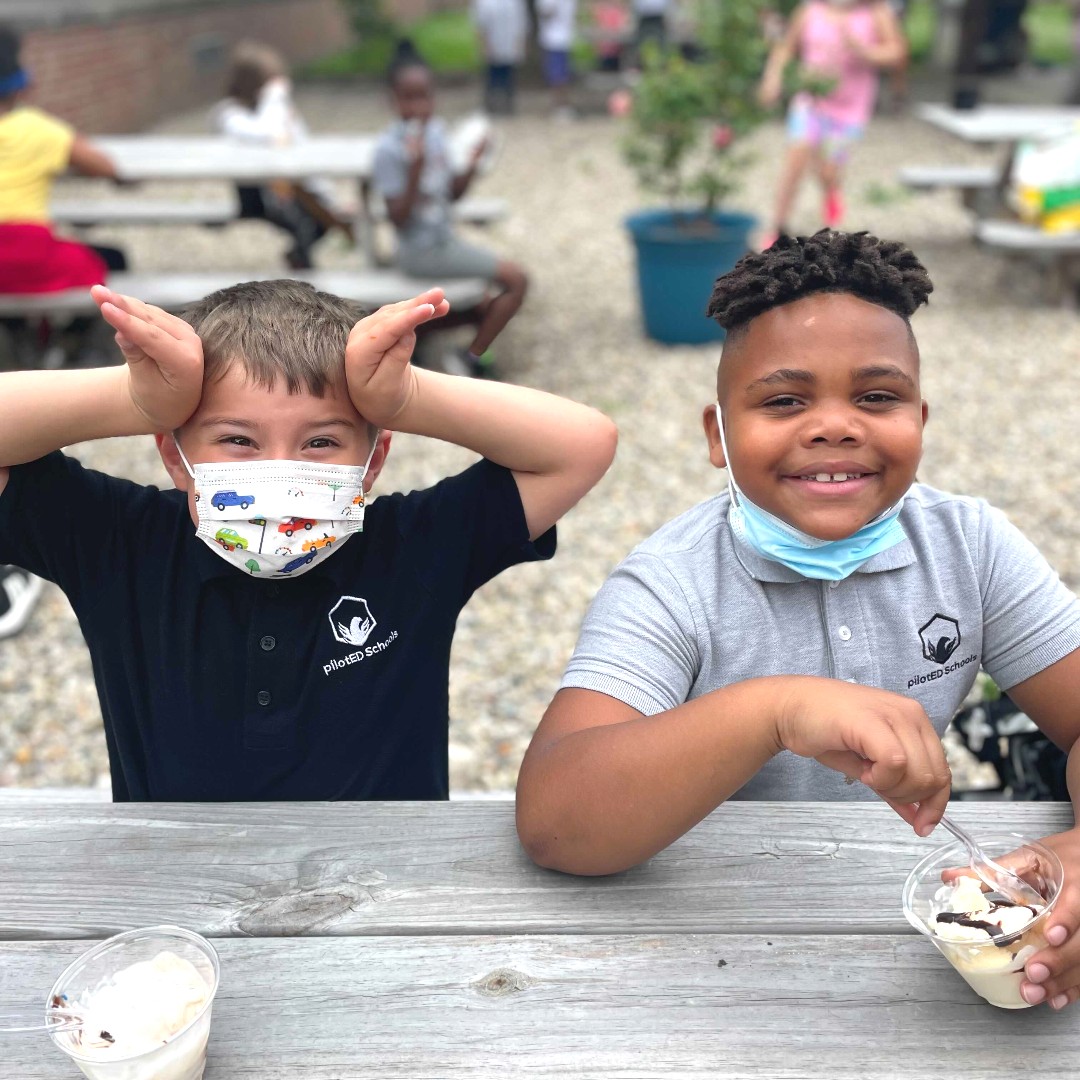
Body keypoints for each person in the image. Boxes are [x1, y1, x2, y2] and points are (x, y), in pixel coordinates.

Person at [517, 230, 1080, 1012]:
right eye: (785, 401)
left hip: (919, 951)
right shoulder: (673, 582)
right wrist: (775, 711)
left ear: (921, 419)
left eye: (876, 397)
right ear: (718, 434)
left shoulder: (971, 546)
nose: (835, 426)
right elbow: (555, 818)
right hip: (709, 956)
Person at [0, 279, 617, 802]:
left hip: (382, 901)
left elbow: (580, 444)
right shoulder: (117, 542)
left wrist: (409, 396)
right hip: (178, 904)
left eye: (321, 442)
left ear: (371, 462)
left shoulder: (418, 545)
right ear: (175, 455)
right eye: (238, 440)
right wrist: (133, 398)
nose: (280, 469)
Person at [372, 46, 528, 378]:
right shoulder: (388, 149)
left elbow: (452, 194)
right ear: (393, 100)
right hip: (419, 251)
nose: (418, 108)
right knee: (516, 281)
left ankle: (430, 341)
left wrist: (473, 161)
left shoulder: (438, 134)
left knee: (490, 300)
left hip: (445, 242)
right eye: (408, 99)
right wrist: (414, 167)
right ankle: (473, 358)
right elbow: (397, 217)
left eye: (424, 98)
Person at [0, 24, 127, 364]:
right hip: (29, 250)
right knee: (108, 263)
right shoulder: (38, 129)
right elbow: (104, 166)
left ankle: (19, 336)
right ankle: (69, 342)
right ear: (19, 80)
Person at [757, 1, 906, 247]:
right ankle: (778, 227)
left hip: (849, 108)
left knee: (828, 169)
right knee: (795, 159)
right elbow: (786, 47)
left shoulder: (875, 12)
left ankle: (830, 188)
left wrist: (863, 50)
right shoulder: (810, 9)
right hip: (811, 100)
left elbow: (897, 53)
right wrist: (773, 78)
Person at [211, 41, 354, 270]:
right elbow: (267, 134)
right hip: (256, 195)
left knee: (321, 217)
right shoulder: (229, 113)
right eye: (271, 83)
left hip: (289, 186)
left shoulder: (273, 111)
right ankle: (302, 271)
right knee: (309, 221)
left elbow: (299, 147)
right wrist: (275, 99)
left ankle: (301, 262)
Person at [471, 0, 529, 114]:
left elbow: (522, 24)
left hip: (510, 46)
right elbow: (480, 24)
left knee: (508, 77)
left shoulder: (516, 3)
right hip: (493, 45)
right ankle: (491, 106)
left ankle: (507, 106)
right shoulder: (484, 3)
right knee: (492, 77)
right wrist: (484, 45)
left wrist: (520, 44)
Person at [536, 0, 579, 119]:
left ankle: (562, 106)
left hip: (561, 40)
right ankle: (559, 106)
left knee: (561, 77)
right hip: (558, 39)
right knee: (558, 76)